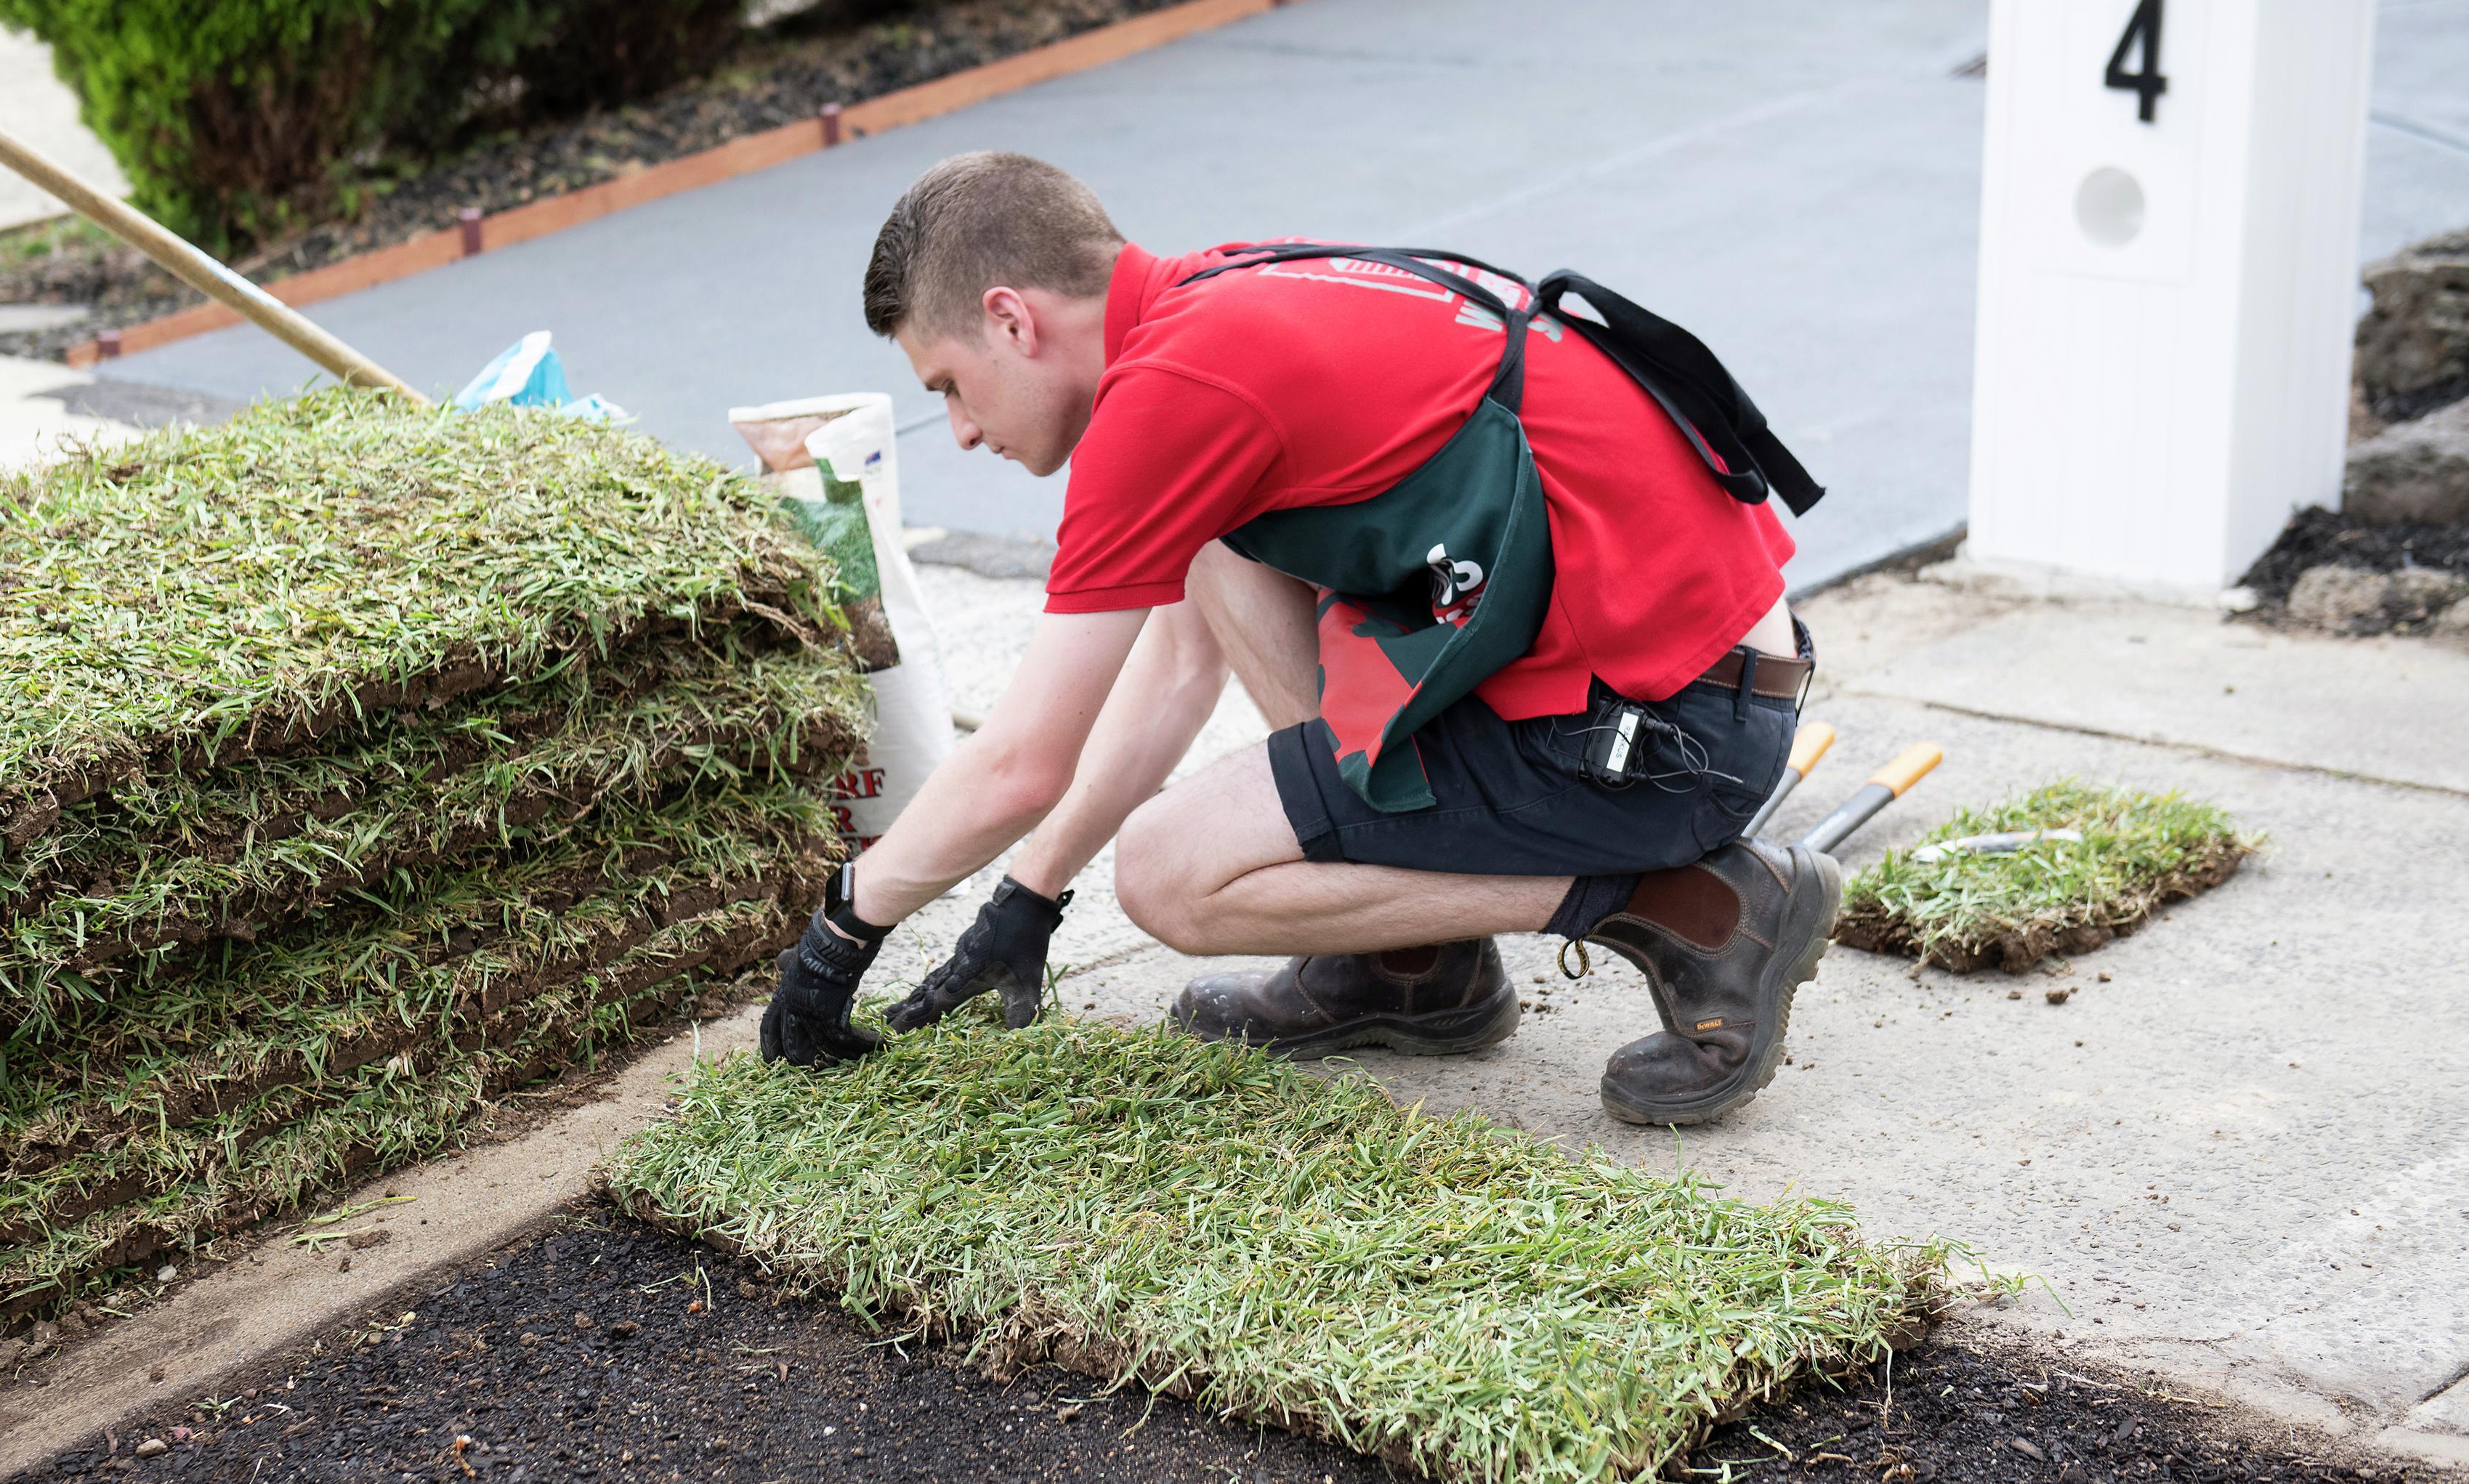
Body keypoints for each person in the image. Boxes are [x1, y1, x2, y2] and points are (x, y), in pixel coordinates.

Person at [760, 151, 1837, 1126]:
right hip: (1697, 679)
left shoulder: (1166, 397)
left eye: (948, 383)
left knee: (1169, 873)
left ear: (1011, 318)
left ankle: (1700, 905)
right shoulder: (1213, 298)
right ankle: (1411, 960)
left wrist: (842, 933)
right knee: (1223, 546)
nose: (957, 426)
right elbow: (1181, 658)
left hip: (1669, 736)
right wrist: (1028, 893)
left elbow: (1021, 761)